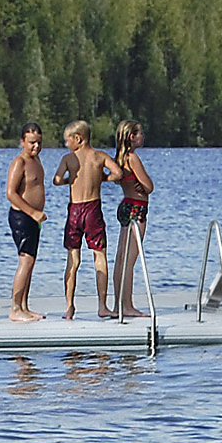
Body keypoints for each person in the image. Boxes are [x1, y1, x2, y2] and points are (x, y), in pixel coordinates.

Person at [51, 121, 115, 318]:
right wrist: (101, 178)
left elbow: (56, 179)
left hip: (75, 210)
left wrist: (70, 180)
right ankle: (102, 306)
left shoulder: (69, 158)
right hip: (93, 209)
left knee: (73, 259)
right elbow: (118, 173)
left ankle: (69, 306)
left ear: (77, 139)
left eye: (67, 141)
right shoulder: (100, 156)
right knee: (100, 256)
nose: (66, 145)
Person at [107, 120, 153, 319]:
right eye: (139, 133)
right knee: (130, 260)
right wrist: (144, 185)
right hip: (137, 208)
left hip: (126, 204)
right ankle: (127, 305)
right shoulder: (132, 158)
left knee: (121, 259)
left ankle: (119, 303)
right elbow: (149, 186)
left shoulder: (118, 158)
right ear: (132, 137)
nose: (142, 137)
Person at [4, 123, 46, 323]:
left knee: (31, 262)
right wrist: (32, 212)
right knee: (25, 260)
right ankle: (15, 308)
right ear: (22, 142)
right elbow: (10, 193)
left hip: (34, 219)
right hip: (22, 217)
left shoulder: (36, 160)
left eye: (38, 143)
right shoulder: (19, 162)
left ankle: (24, 306)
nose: (35, 147)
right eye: (31, 143)